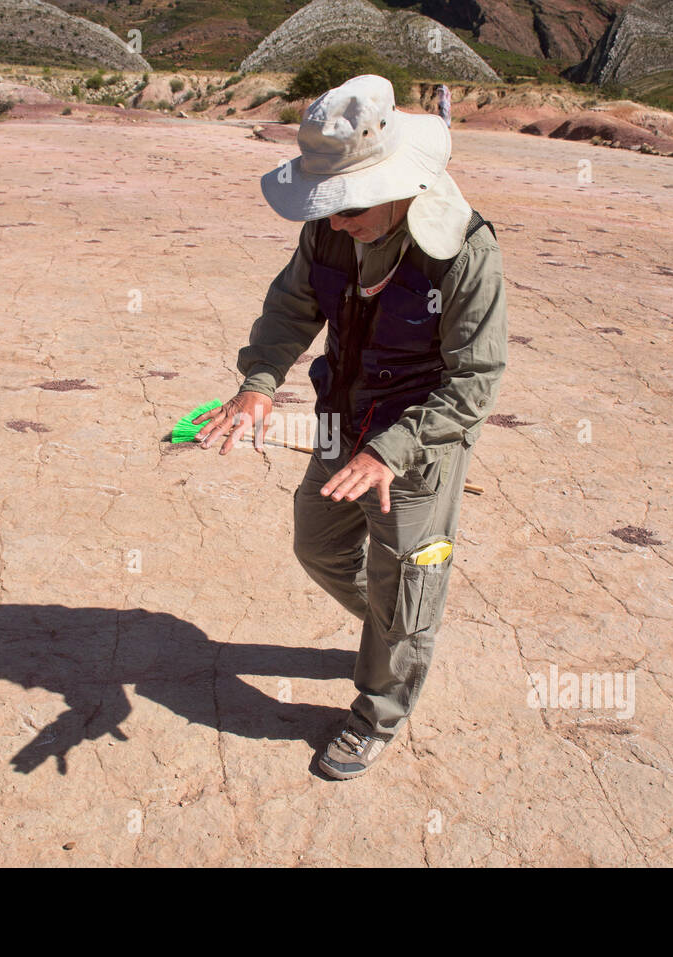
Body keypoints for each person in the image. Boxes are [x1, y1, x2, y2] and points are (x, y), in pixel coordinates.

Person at [194, 74, 507, 779]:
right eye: (326, 207)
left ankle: (379, 711)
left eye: (348, 207)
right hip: (342, 421)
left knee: (407, 580)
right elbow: (290, 309)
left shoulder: (465, 251)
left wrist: (392, 450)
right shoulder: (330, 231)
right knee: (320, 547)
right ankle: (395, 635)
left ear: (395, 182)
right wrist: (258, 384)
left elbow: (475, 381)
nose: (333, 221)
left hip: (418, 448)